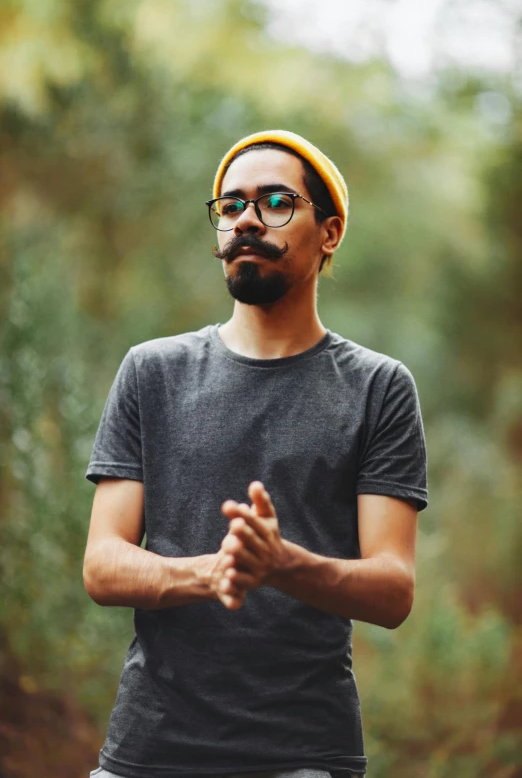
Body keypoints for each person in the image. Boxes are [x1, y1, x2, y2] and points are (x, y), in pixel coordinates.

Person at [84, 129, 428, 778]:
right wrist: (215, 571)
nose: (246, 219)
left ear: (329, 232)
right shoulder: (151, 372)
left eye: (275, 201)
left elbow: (393, 589)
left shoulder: (378, 387)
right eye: (231, 204)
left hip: (302, 754)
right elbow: (103, 565)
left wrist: (283, 563)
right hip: (149, 748)